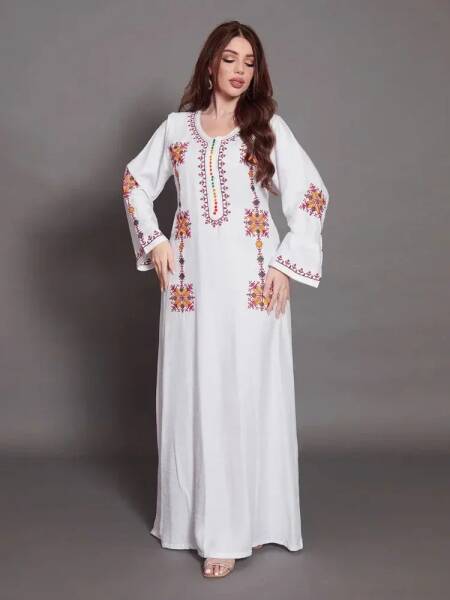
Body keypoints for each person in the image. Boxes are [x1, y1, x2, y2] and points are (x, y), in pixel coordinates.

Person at [122, 20, 330, 579]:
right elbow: (135, 183)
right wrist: (155, 240)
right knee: (197, 394)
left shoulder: (266, 128)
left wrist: (287, 263)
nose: (240, 71)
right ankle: (204, 523)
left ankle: (240, 528)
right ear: (211, 63)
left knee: (243, 395)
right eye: (230, 59)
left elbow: (311, 194)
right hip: (190, 289)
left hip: (251, 288)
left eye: (250, 62)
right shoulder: (177, 129)